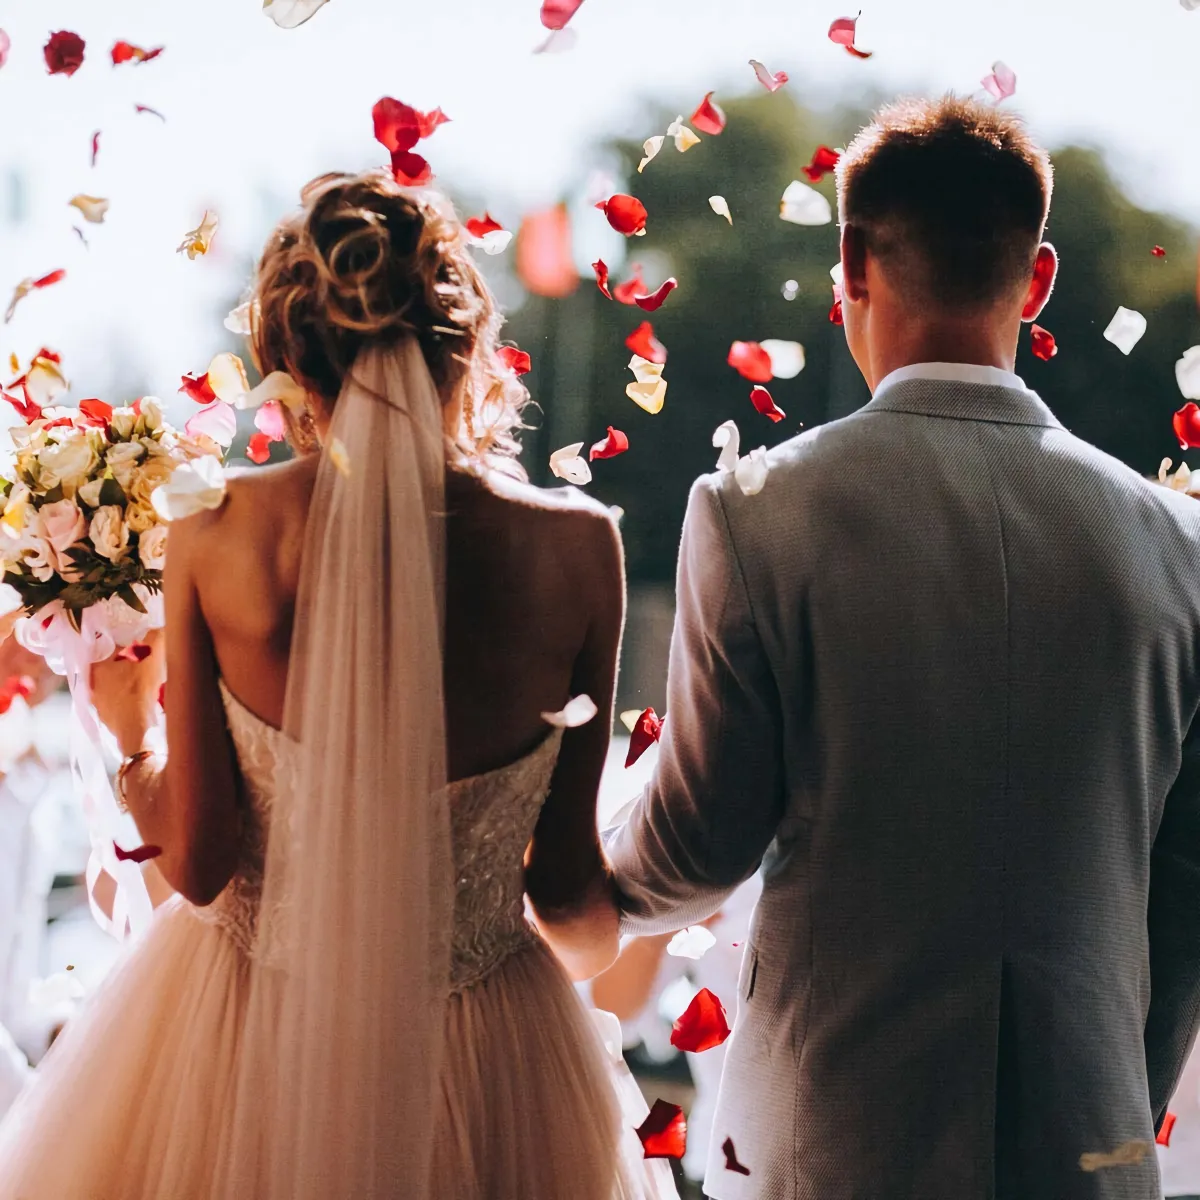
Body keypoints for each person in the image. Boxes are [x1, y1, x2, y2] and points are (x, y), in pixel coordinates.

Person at [0, 171, 675, 1200]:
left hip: (242, 1027)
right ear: (467, 343)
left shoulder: (218, 529)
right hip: (480, 1048)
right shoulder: (579, 551)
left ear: (285, 356)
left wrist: (134, 739)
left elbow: (202, 864)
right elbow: (569, 896)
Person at [606, 94, 1200, 1200]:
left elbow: (694, 850)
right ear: (1041, 277)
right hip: (1090, 1148)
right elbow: (1188, 886)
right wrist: (1109, 1093)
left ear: (850, 266)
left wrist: (567, 858)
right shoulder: (1177, 543)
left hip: (838, 1140)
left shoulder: (757, 511)